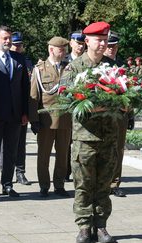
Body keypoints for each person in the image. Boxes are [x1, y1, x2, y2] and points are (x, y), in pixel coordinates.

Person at [62, 21, 117, 243]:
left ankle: (101, 226)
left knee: (104, 185)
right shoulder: (74, 68)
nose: (103, 43)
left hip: (108, 137)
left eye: (105, 39)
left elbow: (124, 95)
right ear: (87, 42)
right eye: (98, 39)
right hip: (85, 138)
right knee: (83, 185)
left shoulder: (112, 67)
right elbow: (66, 100)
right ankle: (84, 227)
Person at [0, 25, 29, 198]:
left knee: (10, 151)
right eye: (4, 38)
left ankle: (7, 184)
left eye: (9, 38)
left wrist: (25, 112)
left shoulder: (19, 59)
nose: (7, 41)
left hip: (15, 115)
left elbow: (25, 87)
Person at [29, 36, 71, 197]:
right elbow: (34, 96)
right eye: (61, 49)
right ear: (51, 49)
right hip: (46, 120)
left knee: (62, 155)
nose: (64, 52)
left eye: (65, 49)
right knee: (43, 155)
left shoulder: (69, 68)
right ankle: (44, 185)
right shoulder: (40, 69)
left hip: (65, 119)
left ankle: (59, 185)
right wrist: (34, 119)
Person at [103, 31, 132, 198]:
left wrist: (131, 114)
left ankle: (115, 183)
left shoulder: (122, 66)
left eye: (114, 46)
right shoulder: (99, 65)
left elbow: (130, 91)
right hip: (103, 114)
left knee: (118, 149)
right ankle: (103, 182)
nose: (112, 49)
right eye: (109, 46)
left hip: (121, 114)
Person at [7, 31, 32, 185]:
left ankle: (20, 172)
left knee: (20, 143)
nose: (17, 48)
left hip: (21, 108)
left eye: (19, 45)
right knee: (6, 145)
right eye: (14, 45)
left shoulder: (26, 62)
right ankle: (6, 174)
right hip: (5, 110)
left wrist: (26, 111)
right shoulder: (2, 59)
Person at [64, 30, 86, 183]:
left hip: (84, 109)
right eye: (77, 43)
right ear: (70, 43)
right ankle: (64, 172)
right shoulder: (64, 61)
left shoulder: (88, 61)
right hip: (68, 109)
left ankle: (80, 172)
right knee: (65, 143)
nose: (80, 46)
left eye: (82, 43)